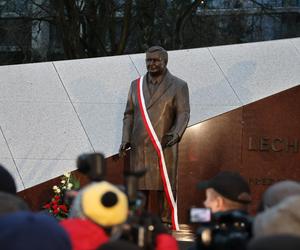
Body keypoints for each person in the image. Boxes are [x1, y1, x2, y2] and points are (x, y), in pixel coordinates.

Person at [119, 46, 190, 223]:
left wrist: (176, 133)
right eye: (148, 60)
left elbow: (183, 113)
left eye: (156, 60)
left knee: (164, 183)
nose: (151, 64)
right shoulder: (136, 85)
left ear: (165, 61)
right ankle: (137, 219)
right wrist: (125, 138)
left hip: (164, 142)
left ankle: (165, 219)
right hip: (139, 144)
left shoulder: (179, 85)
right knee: (139, 185)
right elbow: (129, 113)